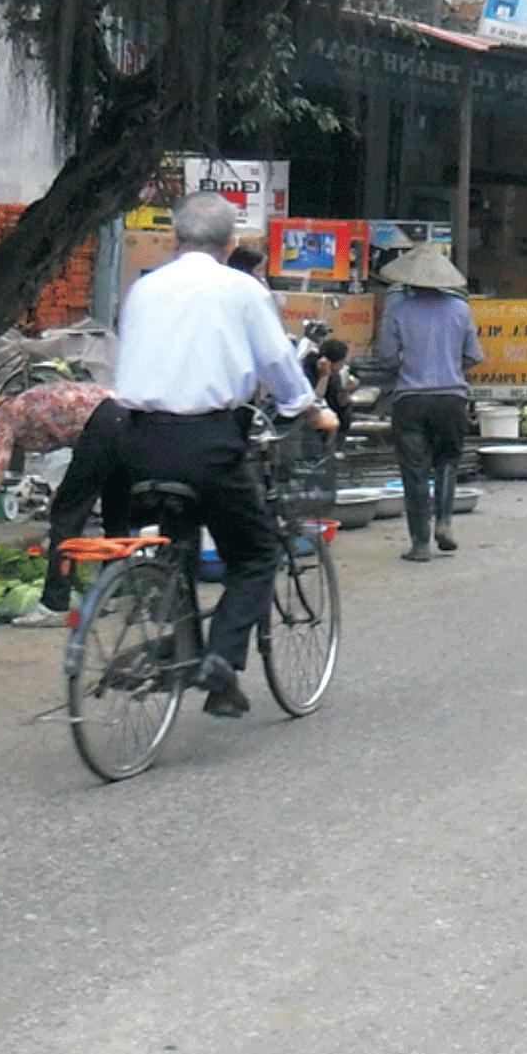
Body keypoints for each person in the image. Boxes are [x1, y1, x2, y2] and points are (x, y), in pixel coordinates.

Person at [98, 191, 317, 717]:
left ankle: (182, 645)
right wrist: (307, 406)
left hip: (135, 440)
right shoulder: (240, 289)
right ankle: (220, 661)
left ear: (176, 238)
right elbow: (278, 365)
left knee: (179, 544)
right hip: (208, 441)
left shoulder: (144, 288)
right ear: (231, 242)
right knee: (256, 553)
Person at [369, 246, 481, 562]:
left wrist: (410, 362)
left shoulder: (399, 311)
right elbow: (474, 355)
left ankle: (420, 544)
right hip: (451, 399)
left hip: (411, 400)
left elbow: (387, 358)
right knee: (447, 460)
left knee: (414, 472)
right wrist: (449, 363)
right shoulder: (460, 310)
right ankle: (444, 523)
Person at [0, 379, 115, 562]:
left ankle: (58, 584)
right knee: (115, 515)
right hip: (123, 416)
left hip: (103, 427)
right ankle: (120, 576)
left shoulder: (1, 423)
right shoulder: (22, 405)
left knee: (64, 520)